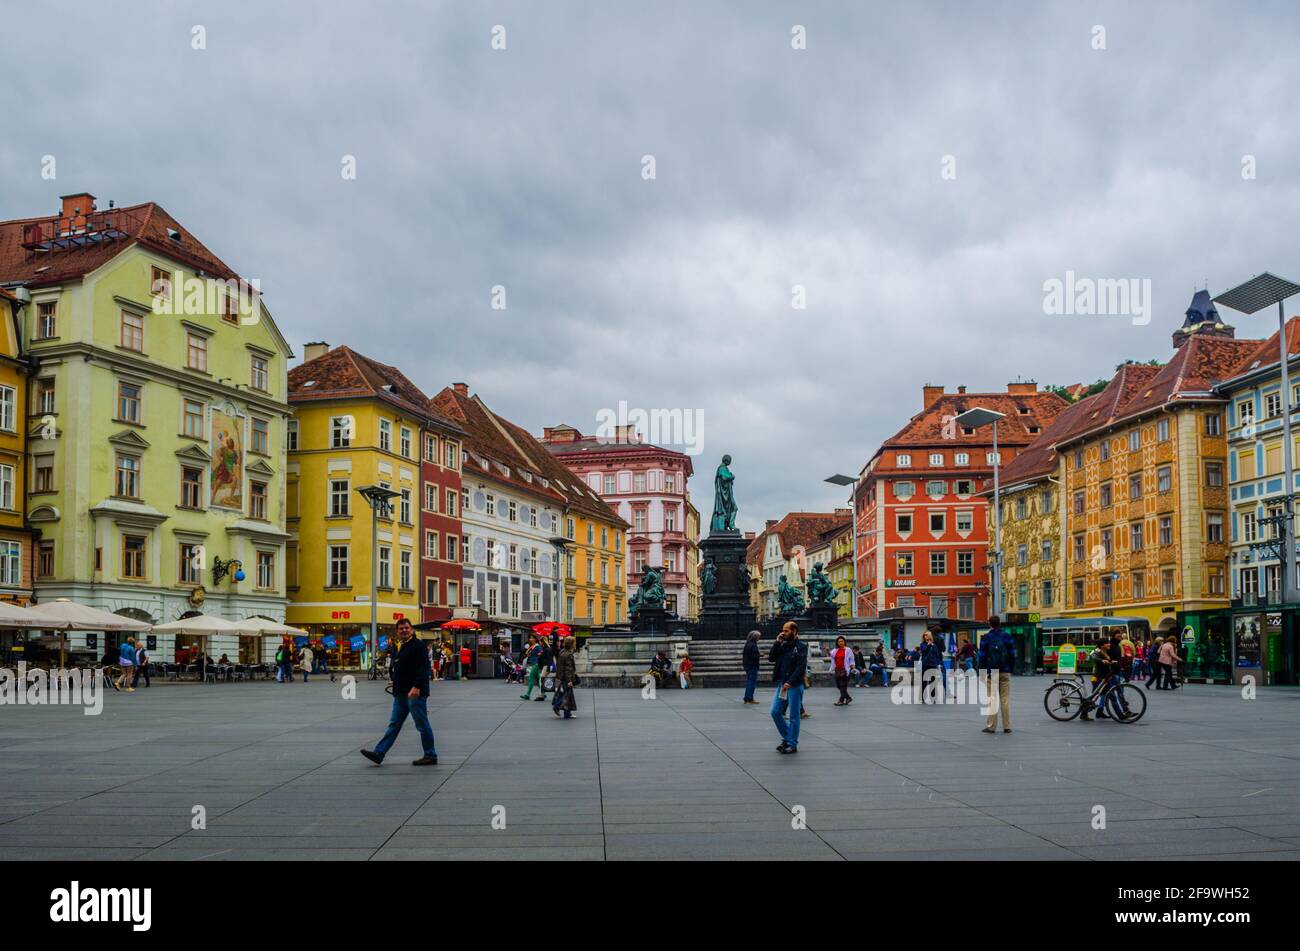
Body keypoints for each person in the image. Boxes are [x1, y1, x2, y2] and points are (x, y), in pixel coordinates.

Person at [361, 618, 438, 766]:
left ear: (412, 630)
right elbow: (399, 667)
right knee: (394, 724)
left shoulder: (418, 645)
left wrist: (416, 686)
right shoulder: (399, 646)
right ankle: (379, 753)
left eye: (406, 628)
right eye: (401, 628)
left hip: (415, 693)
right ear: (397, 631)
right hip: (400, 692)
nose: (404, 630)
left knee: (421, 724)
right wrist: (394, 681)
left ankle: (430, 754)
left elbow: (424, 668)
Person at [769, 621, 808, 754]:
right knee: (775, 712)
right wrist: (777, 642)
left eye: (786, 631)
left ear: (794, 631)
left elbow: (800, 667)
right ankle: (788, 738)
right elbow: (771, 658)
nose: (783, 633)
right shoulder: (783, 645)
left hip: (794, 685)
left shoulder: (801, 646)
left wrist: (790, 682)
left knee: (794, 716)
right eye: (783, 630)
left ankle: (792, 744)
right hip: (782, 685)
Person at [978, 616, 1015, 734]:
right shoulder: (1007, 637)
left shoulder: (986, 638)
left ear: (990, 624)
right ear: (1000, 623)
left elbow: (982, 656)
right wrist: (1010, 669)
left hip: (992, 672)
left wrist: (982, 672)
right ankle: (1007, 726)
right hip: (1005, 671)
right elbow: (1012, 654)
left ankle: (991, 726)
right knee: (1005, 699)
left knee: (992, 699)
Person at [552, 635, 578, 719]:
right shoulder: (568, 654)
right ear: (571, 644)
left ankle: (567, 713)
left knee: (568, 695)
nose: (575, 644)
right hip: (566, 678)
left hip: (561, 677)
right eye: (574, 642)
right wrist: (570, 680)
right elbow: (568, 669)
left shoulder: (562, 652)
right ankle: (557, 706)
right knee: (566, 694)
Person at [917, 629, 944, 703]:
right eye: (925, 635)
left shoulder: (934, 645)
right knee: (924, 681)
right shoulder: (922, 644)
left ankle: (933, 697)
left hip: (933, 664)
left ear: (930, 636)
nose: (926, 636)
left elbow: (937, 655)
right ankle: (922, 697)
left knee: (933, 681)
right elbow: (925, 651)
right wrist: (929, 645)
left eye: (927, 635)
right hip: (925, 664)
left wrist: (938, 664)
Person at [829, 635, 854, 705]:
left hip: (845, 670)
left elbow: (852, 659)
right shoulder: (835, 650)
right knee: (838, 686)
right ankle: (848, 698)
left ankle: (841, 700)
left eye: (842, 641)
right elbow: (831, 655)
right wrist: (828, 651)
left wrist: (853, 667)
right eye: (839, 641)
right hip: (837, 670)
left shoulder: (848, 650)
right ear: (837, 643)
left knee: (843, 686)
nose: (840, 643)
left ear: (844, 642)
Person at [520, 633, 546, 700]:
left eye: (532, 638)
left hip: (536, 664)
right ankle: (544, 693)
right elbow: (528, 654)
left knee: (531, 678)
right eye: (530, 638)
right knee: (537, 680)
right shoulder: (532, 646)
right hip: (533, 663)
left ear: (535, 639)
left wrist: (539, 654)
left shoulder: (537, 646)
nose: (530, 639)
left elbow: (541, 652)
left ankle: (527, 695)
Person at [741, 630, 761, 703]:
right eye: (758, 637)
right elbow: (754, 656)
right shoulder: (753, 645)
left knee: (749, 682)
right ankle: (750, 698)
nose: (759, 638)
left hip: (747, 665)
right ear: (755, 637)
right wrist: (760, 655)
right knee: (752, 683)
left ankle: (747, 698)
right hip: (752, 666)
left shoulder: (747, 644)